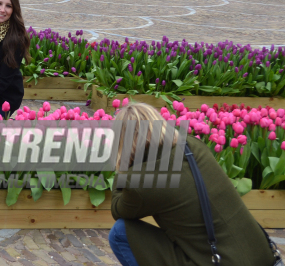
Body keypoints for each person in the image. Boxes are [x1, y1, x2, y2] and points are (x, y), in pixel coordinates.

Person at [109, 103, 275, 266]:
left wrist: (123, 167)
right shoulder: (192, 146)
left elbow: (118, 209)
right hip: (262, 256)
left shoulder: (141, 182)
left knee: (120, 232)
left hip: (219, 261)